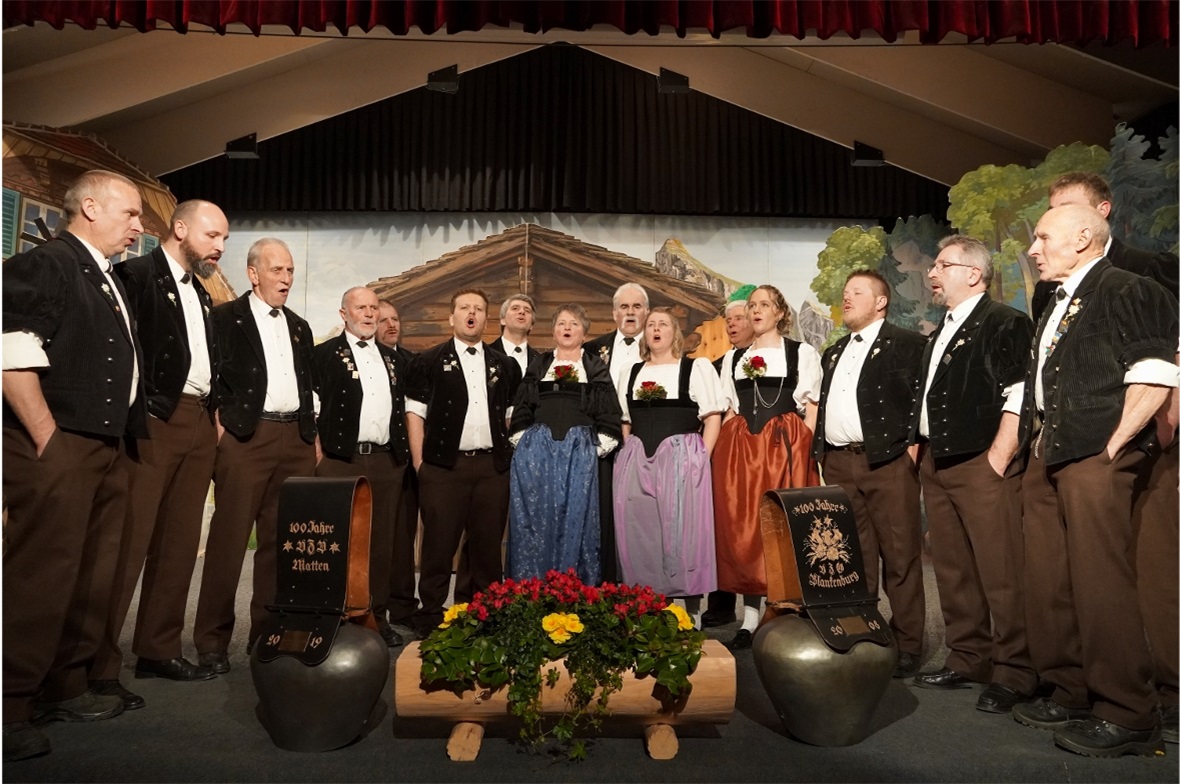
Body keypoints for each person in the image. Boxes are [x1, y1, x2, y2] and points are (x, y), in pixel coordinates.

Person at [1014, 204, 1177, 757]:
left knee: (1099, 582)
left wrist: (1110, 449)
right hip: (1050, 454)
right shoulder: (1055, 301)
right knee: (1050, 580)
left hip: (1094, 456)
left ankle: (1129, 712)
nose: (1033, 249)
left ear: (1083, 236)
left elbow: (1155, 374)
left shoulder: (1129, 288)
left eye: (1042, 237)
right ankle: (1071, 688)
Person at [3, 170, 148, 762]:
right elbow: (11, 351)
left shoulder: (104, 275)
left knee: (93, 573)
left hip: (107, 445)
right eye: (131, 213)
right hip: (62, 445)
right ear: (90, 206)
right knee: (41, 577)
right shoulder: (48, 263)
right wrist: (49, 442)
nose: (139, 226)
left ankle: (63, 686)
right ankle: (8, 705)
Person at [87, 200, 229, 709]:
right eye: (213, 235)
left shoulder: (205, 292)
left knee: (178, 543)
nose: (220, 246)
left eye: (225, 239)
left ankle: (158, 648)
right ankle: (96, 666)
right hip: (153, 420)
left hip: (196, 421)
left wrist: (213, 415)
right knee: (126, 543)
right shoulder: (136, 274)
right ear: (181, 228)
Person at [906, 237, 1038, 711]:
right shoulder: (941, 327)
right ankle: (968, 658)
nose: (932, 273)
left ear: (974, 274)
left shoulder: (1005, 321)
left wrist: (999, 456)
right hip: (939, 464)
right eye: (934, 263)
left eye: (943, 264)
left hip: (982, 461)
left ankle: (1017, 669)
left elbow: (1020, 391)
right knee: (954, 568)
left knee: (1001, 570)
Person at [193, 238, 318, 674]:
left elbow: (308, 386)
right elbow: (207, 375)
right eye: (277, 270)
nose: (285, 278)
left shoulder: (300, 326)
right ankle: (211, 641)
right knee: (228, 542)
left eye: (289, 271)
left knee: (280, 545)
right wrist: (220, 431)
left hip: (295, 441)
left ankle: (266, 633)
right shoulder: (224, 318)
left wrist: (310, 438)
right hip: (247, 439)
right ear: (253, 274)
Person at [812, 271, 926, 679]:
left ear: (880, 302)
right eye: (844, 293)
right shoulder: (834, 350)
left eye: (856, 293)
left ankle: (909, 643)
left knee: (900, 555)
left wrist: (911, 453)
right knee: (853, 558)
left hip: (888, 462)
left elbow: (919, 403)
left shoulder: (909, 344)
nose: (846, 299)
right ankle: (864, 633)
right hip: (841, 464)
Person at [404, 289, 521, 638]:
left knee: (486, 548)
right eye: (464, 308)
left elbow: (511, 417)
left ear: (487, 318)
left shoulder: (505, 365)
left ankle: (483, 614)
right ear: (451, 317)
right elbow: (415, 414)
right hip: (443, 468)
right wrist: (420, 464)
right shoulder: (427, 361)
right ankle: (431, 615)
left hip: (491, 469)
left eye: (479, 309)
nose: (472, 314)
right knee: (439, 545)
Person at [713, 284, 821, 650]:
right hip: (742, 452)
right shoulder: (732, 359)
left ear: (779, 313)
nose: (756, 310)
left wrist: (804, 451)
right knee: (745, 530)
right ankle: (751, 618)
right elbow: (729, 410)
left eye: (765, 305)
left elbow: (810, 408)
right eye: (752, 305)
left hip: (783, 450)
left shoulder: (800, 353)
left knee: (781, 530)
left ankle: (788, 612)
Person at [613, 307, 724, 626]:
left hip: (681, 458)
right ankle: (646, 608)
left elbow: (712, 417)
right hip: (639, 459)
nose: (656, 330)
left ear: (675, 333)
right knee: (640, 531)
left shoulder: (695, 368)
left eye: (663, 325)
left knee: (683, 532)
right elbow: (625, 419)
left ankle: (690, 612)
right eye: (651, 326)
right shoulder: (631, 371)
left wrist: (701, 456)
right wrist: (628, 451)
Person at [313, 287, 410, 647]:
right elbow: (312, 406)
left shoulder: (396, 360)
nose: (369, 314)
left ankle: (375, 615)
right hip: (341, 460)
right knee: (337, 541)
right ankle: (334, 616)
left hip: (386, 460)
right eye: (361, 308)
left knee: (381, 542)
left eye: (373, 308)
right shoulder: (322, 355)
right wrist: (318, 455)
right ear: (344, 314)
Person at [506, 304, 621, 584]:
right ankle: (533, 586)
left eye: (573, 324)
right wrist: (526, 447)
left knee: (577, 520)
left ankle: (573, 588)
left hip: (578, 454)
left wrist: (593, 450)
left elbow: (608, 413)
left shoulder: (595, 367)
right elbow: (522, 408)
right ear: (553, 331)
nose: (567, 328)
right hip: (539, 454)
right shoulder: (540, 365)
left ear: (584, 332)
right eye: (561, 323)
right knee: (537, 519)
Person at [1029, 172, 1178, 319]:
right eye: (1052, 210)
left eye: (1068, 208)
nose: (1056, 216)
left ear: (1103, 210)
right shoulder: (1047, 288)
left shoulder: (1148, 267)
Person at [582, 282, 650, 582]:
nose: (631, 312)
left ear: (646, 312)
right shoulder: (592, 349)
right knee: (603, 511)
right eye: (625, 306)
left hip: (644, 440)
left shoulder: (661, 347)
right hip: (602, 442)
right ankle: (604, 579)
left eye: (637, 307)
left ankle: (639, 582)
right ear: (614, 313)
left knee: (639, 514)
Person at [702, 286, 756, 629]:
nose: (733, 325)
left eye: (739, 318)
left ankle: (763, 607)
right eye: (729, 320)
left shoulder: (775, 357)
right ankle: (721, 604)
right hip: (723, 453)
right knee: (721, 525)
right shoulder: (715, 365)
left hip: (757, 452)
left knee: (751, 528)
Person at [1133, 359, 1179, 745]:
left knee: (1158, 576)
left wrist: (1164, 430)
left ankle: (1176, 690)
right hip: (1106, 444)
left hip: (1152, 446)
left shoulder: (1155, 298)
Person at [376, 298, 421, 630]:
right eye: (383, 320)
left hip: (406, 460)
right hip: (374, 458)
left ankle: (403, 607)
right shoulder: (364, 358)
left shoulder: (413, 363)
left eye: (395, 319)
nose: (392, 325)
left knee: (403, 537)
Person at [487, 294, 540, 375]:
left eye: (527, 310)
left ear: (531, 325)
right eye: (515, 308)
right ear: (503, 320)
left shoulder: (540, 361)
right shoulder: (486, 353)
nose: (522, 312)